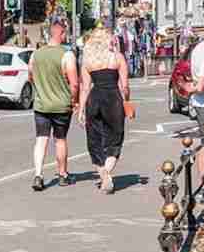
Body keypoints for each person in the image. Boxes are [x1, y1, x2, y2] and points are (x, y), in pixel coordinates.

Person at [29, 17, 80, 192]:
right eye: (65, 32)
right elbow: (74, 84)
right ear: (61, 33)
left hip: (41, 105)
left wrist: (40, 88)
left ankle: (38, 174)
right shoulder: (67, 55)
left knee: (41, 140)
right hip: (61, 106)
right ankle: (63, 174)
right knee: (60, 140)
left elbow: (30, 76)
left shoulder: (36, 54)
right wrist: (75, 101)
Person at [78, 27, 130, 194]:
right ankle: (107, 172)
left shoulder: (88, 61)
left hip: (94, 99)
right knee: (115, 138)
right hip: (113, 99)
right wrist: (127, 100)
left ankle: (102, 173)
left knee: (95, 138)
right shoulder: (118, 58)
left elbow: (85, 88)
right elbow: (125, 87)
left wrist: (80, 110)